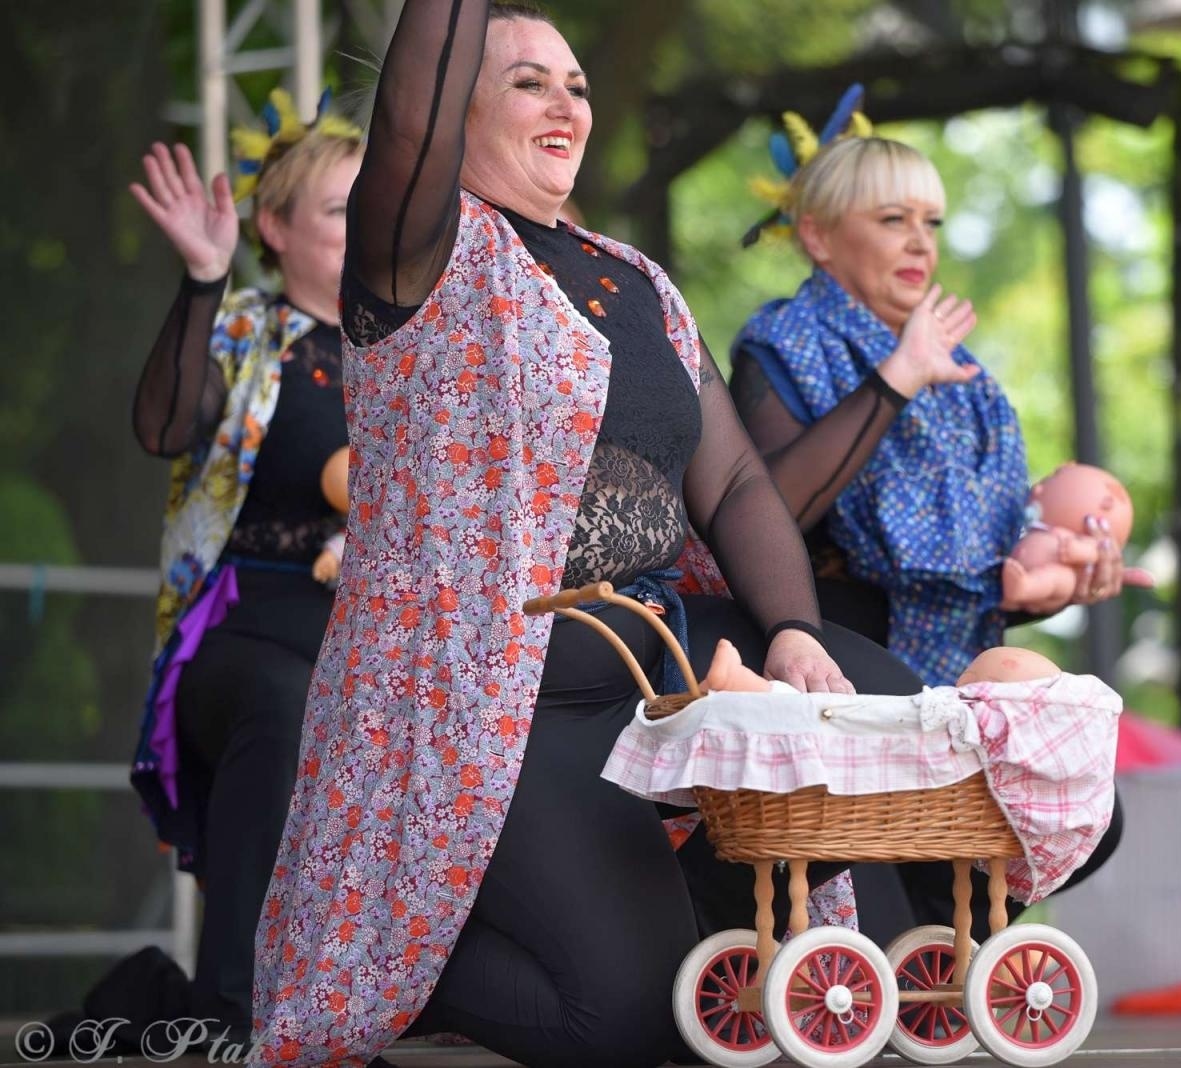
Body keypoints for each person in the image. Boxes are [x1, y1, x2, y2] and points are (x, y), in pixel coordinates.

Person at [248, 4, 920, 1066]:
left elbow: (736, 476)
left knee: (898, 721)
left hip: (650, 658)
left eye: (577, 84)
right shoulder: (414, 250)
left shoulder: (636, 278)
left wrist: (793, 629)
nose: (566, 103)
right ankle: (407, 947)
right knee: (622, 1021)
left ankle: (680, 909)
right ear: (453, 104)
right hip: (492, 694)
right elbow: (411, 124)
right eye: (527, 82)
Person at [729, 128, 1142, 941]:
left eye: (933, 221)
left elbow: (967, 573)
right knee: (885, 917)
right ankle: (915, 944)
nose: (921, 240)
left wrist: (1055, 580)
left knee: (1095, 812)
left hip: (945, 668)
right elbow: (760, 514)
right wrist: (896, 378)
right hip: (825, 655)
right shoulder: (781, 345)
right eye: (892, 218)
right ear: (817, 235)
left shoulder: (964, 371)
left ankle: (933, 945)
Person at [116, 91, 361, 1041]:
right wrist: (203, 280)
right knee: (286, 701)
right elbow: (164, 428)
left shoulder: (419, 349)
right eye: (341, 210)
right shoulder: (247, 330)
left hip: (368, 631)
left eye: (372, 208)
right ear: (275, 227)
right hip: (245, 627)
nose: (365, 227)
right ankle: (237, 1010)